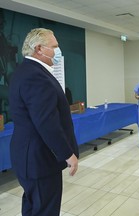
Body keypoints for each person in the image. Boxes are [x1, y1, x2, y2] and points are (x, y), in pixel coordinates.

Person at [8, 28, 79, 216]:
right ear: (39, 49)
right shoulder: (36, 76)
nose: (57, 51)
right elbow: (47, 122)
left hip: (29, 158)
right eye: (54, 46)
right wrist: (68, 154)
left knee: (33, 206)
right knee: (45, 209)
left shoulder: (24, 71)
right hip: (40, 161)